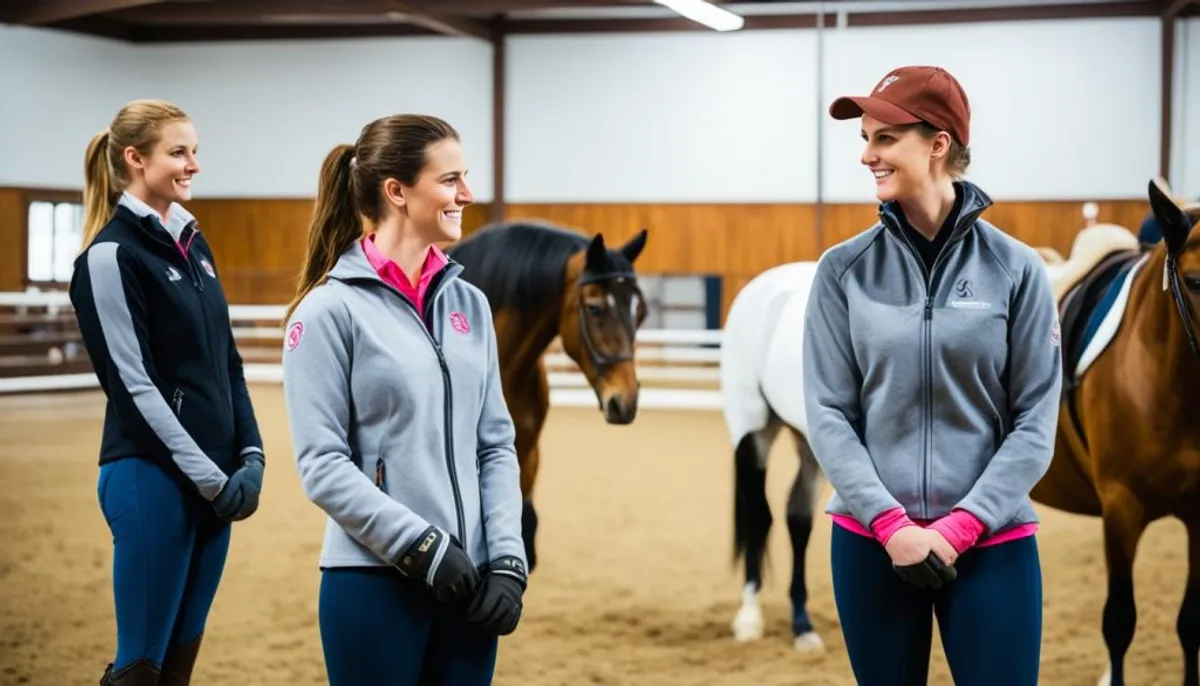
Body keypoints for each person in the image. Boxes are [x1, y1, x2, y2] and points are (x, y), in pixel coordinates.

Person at [802, 66, 1062, 685]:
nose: (867, 156)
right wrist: (891, 526)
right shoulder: (843, 271)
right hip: (873, 544)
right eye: (864, 139)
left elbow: (1035, 421)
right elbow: (828, 412)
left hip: (990, 544)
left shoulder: (1016, 270)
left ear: (938, 143)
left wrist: (961, 526)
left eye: (885, 139)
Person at [280, 114, 528, 686]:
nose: (467, 194)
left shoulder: (471, 305)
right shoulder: (327, 313)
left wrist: (509, 559)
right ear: (397, 191)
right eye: (450, 180)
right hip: (374, 583)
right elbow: (322, 465)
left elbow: (495, 444)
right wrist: (421, 546)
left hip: (472, 583)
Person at [68, 99, 266, 686]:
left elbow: (227, 363)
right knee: (141, 670)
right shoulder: (109, 257)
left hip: (215, 486)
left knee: (178, 667)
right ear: (135, 159)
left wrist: (251, 455)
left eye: (194, 152)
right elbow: (134, 385)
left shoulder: (194, 245)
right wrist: (209, 477)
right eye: (179, 152)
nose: (193, 165)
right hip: (150, 480)